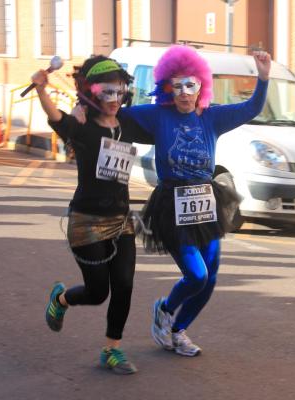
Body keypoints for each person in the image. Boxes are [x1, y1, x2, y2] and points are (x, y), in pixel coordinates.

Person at [121, 45, 271, 356]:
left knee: (210, 277)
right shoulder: (158, 115)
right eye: (177, 85)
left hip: (205, 201)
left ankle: (178, 330)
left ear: (201, 85)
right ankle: (165, 309)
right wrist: (88, 103)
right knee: (196, 274)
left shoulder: (212, 117)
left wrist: (264, 77)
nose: (184, 93)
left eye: (190, 84)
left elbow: (251, 108)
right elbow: (116, 115)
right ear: (167, 88)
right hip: (172, 205)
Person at [33, 55, 154, 374]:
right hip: (86, 222)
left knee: (125, 285)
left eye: (119, 92)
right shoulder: (82, 126)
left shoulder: (127, 123)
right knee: (98, 292)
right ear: (92, 93)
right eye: (106, 92)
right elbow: (57, 119)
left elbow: (161, 124)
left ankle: (111, 350)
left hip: (121, 220)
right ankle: (60, 300)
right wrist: (41, 89)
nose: (114, 99)